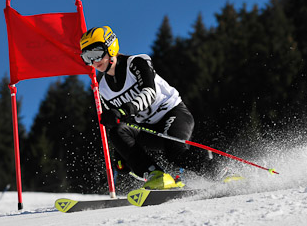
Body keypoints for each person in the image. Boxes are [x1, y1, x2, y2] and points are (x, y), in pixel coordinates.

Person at [79, 26, 214, 189]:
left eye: (96, 53)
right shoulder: (103, 89)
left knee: (175, 153)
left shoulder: (136, 63)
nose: (94, 61)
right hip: (148, 129)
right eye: (87, 57)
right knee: (117, 131)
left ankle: (219, 171)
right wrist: (121, 153)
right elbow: (119, 121)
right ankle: (156, 175)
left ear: (110, 46)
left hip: (172, 114)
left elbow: (149, 92)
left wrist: (123, 110)